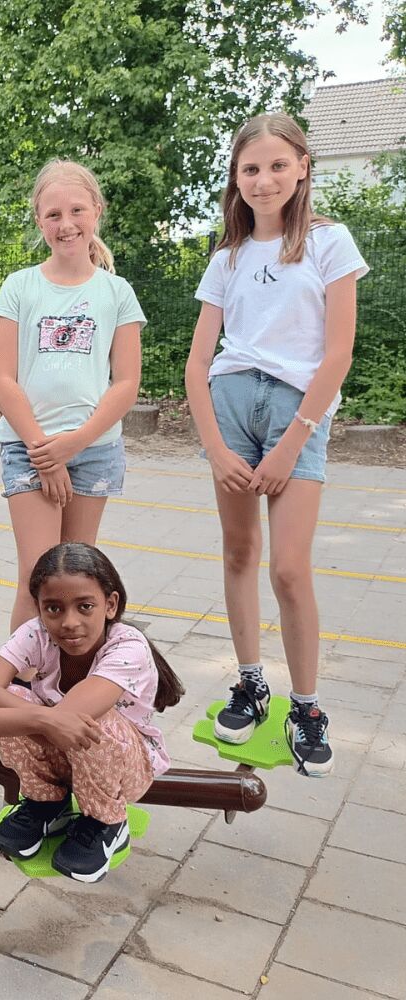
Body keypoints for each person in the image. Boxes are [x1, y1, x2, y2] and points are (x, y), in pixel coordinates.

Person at [185, 113, 369, 777]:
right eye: (250, 168)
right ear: (236, 177)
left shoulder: (329, 243)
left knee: (289, 567)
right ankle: (251, 682)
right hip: (231, 405)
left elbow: (338, 353)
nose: (263, 180)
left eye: (277, 166)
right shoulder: (227, 257)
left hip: (297, 412)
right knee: (240, 552)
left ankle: (307, 707)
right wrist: (214, 446)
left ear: (303, 168)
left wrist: (294, 442)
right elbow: (197, 363)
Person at [0, 543, 183, 883]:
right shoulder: (35, 633)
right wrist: (41, 717)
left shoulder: (127, 647)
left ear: (110, 604)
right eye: (53, 608)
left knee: (88, 719)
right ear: (39, 609)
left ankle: (107, 822)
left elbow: (71, 724)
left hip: (124, 770)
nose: (69, 622)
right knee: (11, 696)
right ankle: (46, 804)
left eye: (85, 606)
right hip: (63, 753)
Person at [0, 159, 145, 632]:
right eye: (53, 215)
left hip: (93, 452)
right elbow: (3, 379)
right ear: (39, 221)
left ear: (96, 210)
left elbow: (126, 383)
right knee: (38, 580)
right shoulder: (20, 287)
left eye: (77, 210)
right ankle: (20, 672)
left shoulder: (117, 293)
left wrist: (74, 444)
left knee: (78, 584)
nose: (66, 224)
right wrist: (46, 453)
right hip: (29, 449)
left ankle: (71, 670)